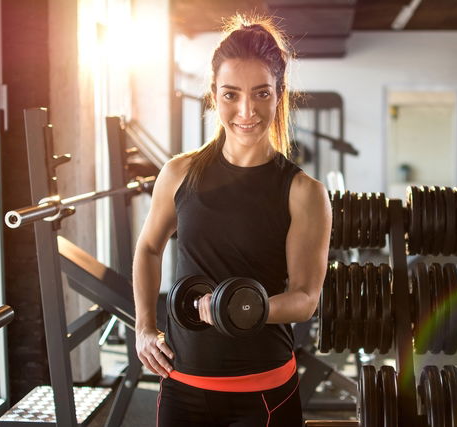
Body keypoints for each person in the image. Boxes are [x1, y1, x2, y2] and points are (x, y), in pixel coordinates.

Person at [132, 14, 332, 427]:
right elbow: (149, 247)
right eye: (230, 94)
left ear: (279, 94)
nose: (247, 111)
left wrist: (243, 308)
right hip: (182, 385)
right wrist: (144, 327)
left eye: (261, 93)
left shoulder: (304, 192)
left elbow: (305, 297)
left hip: (264, 390)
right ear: (213, 95)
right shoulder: (179, 173)